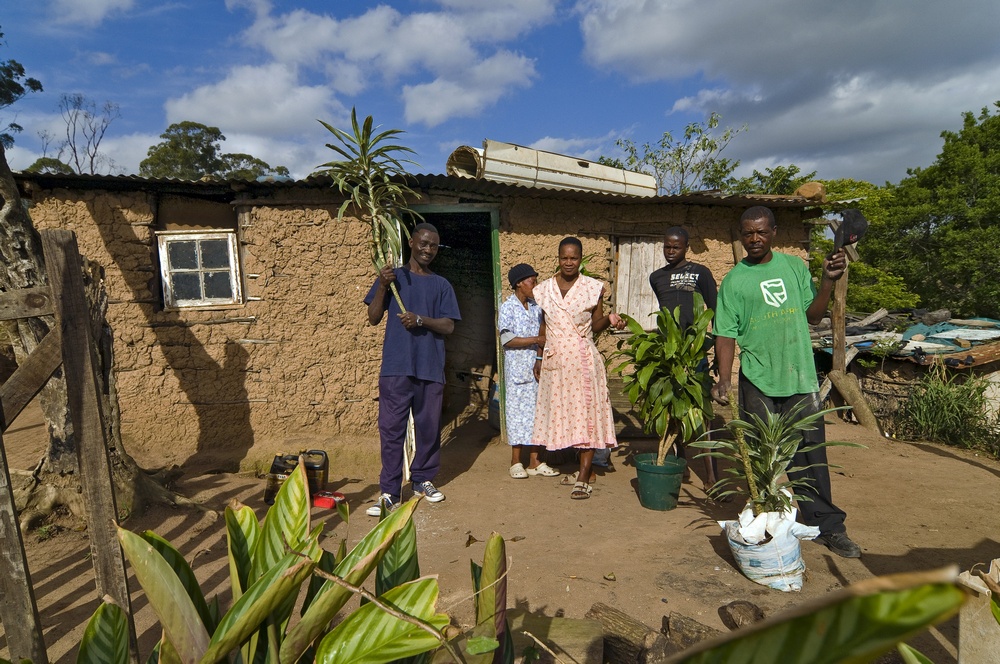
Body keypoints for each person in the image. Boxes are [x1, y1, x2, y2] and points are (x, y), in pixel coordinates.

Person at [710, 206, 861, 558]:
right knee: (763, 455)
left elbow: (814, 314)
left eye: (761, 232)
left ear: (773, 232)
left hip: (799, 376)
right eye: (748, 233)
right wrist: (724, 378)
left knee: (811, 455)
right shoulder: (734, 281)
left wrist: (827, 281)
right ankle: (765, 523)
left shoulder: (794, 267)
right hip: (758, 379)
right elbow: (726, 336)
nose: (754, 239)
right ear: (741, 235)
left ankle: (828, 527)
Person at [364, 223, 461, 516]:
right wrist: (382, 284)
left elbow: (449, 325)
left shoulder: (441, 284)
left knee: (429, 428)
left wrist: (420, 320)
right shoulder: (394, 278)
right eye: (423, 243)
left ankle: (421, 479)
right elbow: (373, 316)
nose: (428, 250)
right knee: (391, 430)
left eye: (433, 246)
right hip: (396, 367)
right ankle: (390, 492)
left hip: (430, 367)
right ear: (411, 242)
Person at [531, 237, 627, 499]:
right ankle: (586, 470)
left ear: (581, 259)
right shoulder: (545, 290)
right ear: (558, 258)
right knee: (566, 416)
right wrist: (539, 358)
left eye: (574, 258)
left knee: (585, 416)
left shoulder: (592, 288)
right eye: (564, 258)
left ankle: (584, 475)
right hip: (555, 362)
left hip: (582, 361)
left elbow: (595, 325)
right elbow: (544, 327)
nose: (569, 262)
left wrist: (608, 318)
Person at [648, 226, 719, 487]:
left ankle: (712, 474)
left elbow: (716, 311)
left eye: (676, 247)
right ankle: (683, 463)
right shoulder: (656, 277)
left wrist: (720, 354)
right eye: (667, 246)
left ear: (686, 246)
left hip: (695, 350)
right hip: (670, 352)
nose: (670, 251)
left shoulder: (700, 273)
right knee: (673, 409)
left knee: (704, 411)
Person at [498, 263, 560, 479]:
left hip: (538, 370)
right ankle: (516, 462)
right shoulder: (508, 307)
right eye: (532, 282)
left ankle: (535, 461)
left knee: (538, 416)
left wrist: (540, 354)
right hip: (518, 372)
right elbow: (507, 339)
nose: (535, 286)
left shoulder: (536, 307)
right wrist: (536, 339)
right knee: (517, 417)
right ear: (518, 284)